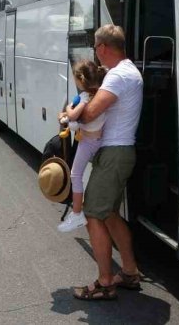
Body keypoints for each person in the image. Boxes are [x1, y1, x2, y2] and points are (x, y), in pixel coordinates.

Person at [68, 24, 143, 301]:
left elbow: (89, 114)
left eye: (95, 47)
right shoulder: (126, 71)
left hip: (114, 153)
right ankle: (130, 272)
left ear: (101, 48)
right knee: (109, 213)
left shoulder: (118, 76)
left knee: (93, 214)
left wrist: (69, 112)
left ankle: (105, 282)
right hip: (118, 152)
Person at [57, 60, 107, 233]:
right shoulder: (100, 93)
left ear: (80, 79)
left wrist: (68, 108)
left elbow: (73, 115)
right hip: (96, 139)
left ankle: (77, 213)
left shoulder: (86, 97)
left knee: (75, 175)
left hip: (88, 142)